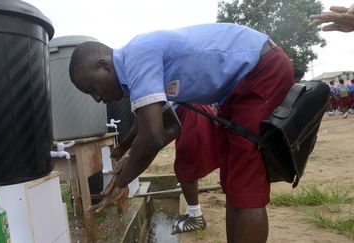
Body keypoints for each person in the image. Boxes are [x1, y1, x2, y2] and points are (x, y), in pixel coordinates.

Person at [69, 23, 294, 242]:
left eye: (91, 89)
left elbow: (153, 136)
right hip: (234, 88)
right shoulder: (135, 71)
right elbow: (171, 127)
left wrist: (122, 182)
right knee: (234, 183)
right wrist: (128, 155)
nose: (97, 98)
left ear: (104, 66)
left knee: (245, 182)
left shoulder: (135, 57)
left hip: (259, 69)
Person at [111, 103, 219, 234]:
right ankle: (192, 213)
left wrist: (127, 152)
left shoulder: (138, 88)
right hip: (194, 113)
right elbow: (140, 126)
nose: (100, 99)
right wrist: (124, 148)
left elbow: (147, 134)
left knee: (186, 167)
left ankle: (196, 218)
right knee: (186, 166)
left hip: (193, 115)